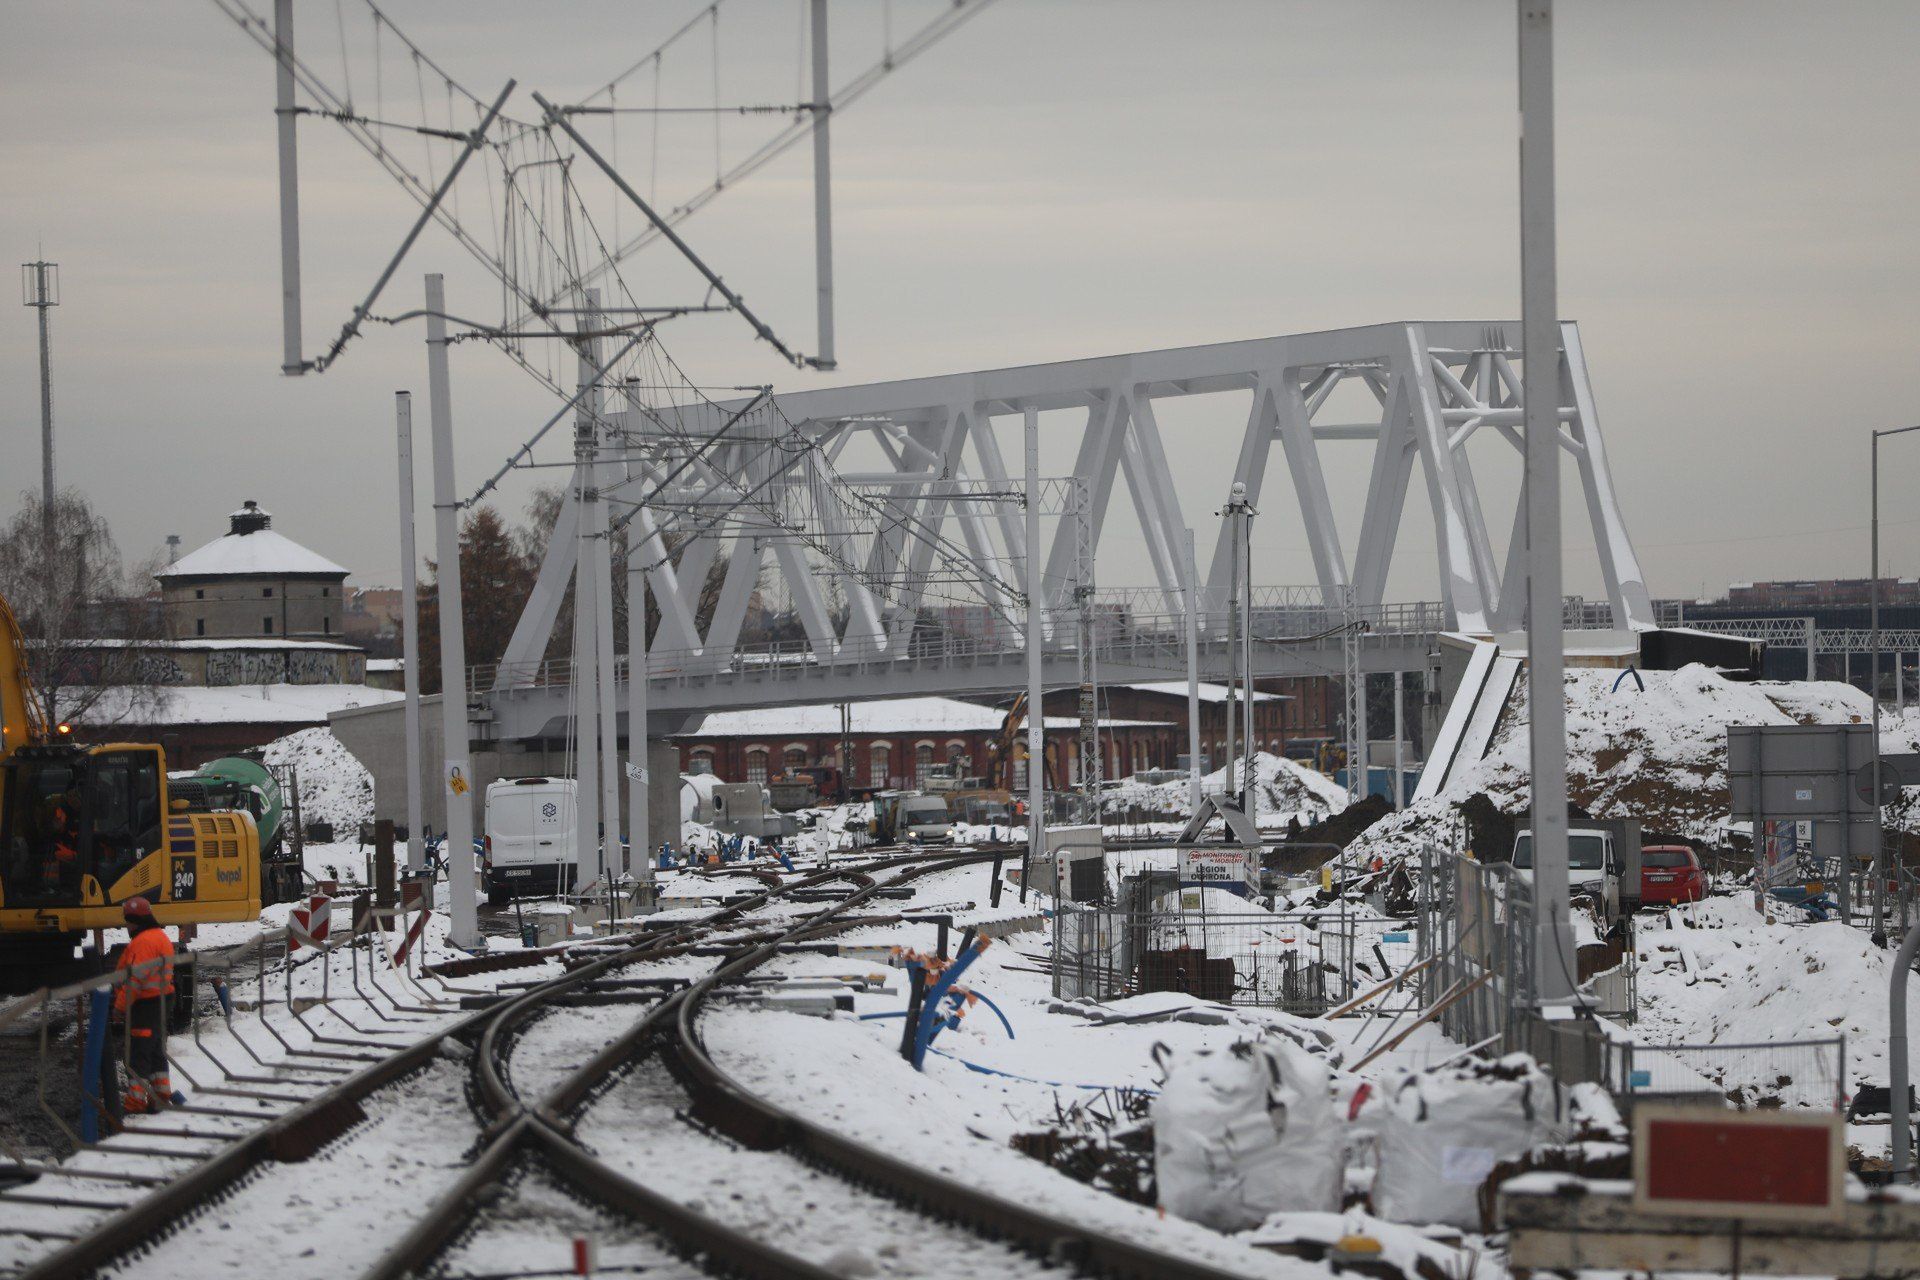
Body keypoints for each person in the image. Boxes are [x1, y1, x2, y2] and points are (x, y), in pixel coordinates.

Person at [113, 897, 176, 1114]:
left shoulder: (143, 942)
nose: (126, 926)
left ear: (135, 921)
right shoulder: (159, 936)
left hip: (145, 1004)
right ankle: (160, 1095)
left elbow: (135, 980)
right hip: (161, 1000)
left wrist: (119, 1006)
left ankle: (136, 1102)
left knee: (139, 1053)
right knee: (156, 1049)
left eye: (128, 921)